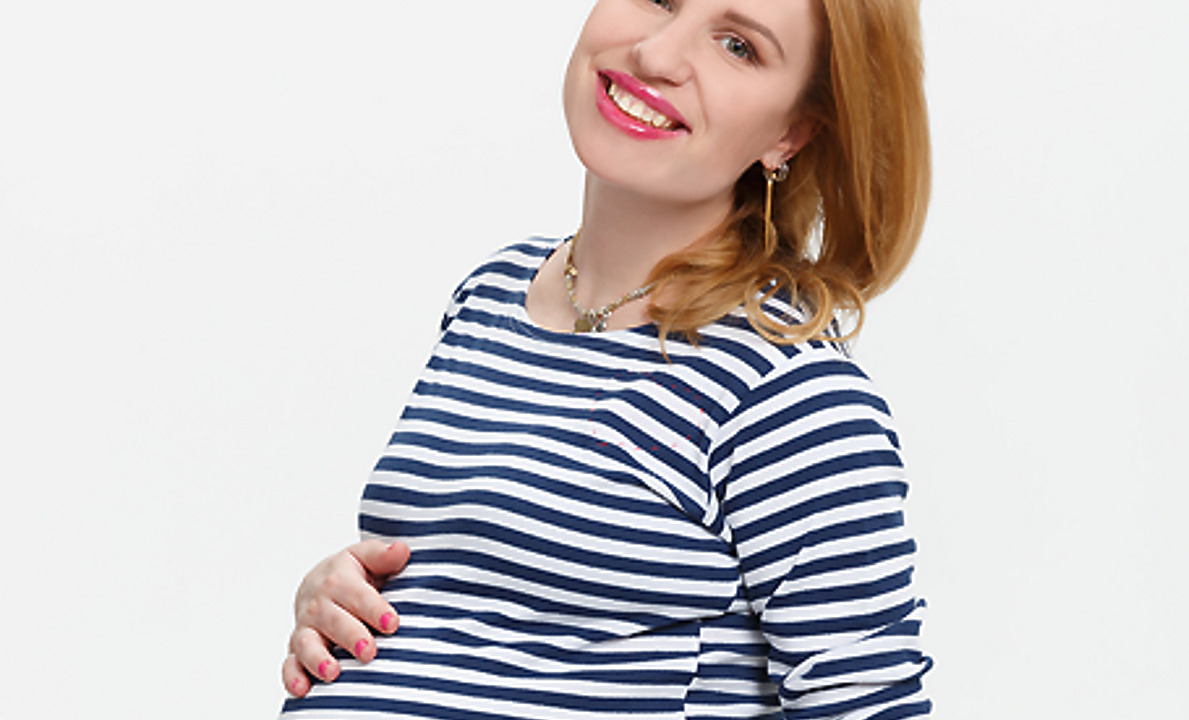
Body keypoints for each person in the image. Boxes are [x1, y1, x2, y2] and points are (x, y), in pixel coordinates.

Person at [279, 0, 933, 717]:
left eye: (737, 46)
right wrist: (341, 604)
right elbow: (485, 616)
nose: (657, 54)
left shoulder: (790, 397)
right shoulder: (493, 293)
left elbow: (867, 703)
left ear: (791, 132)